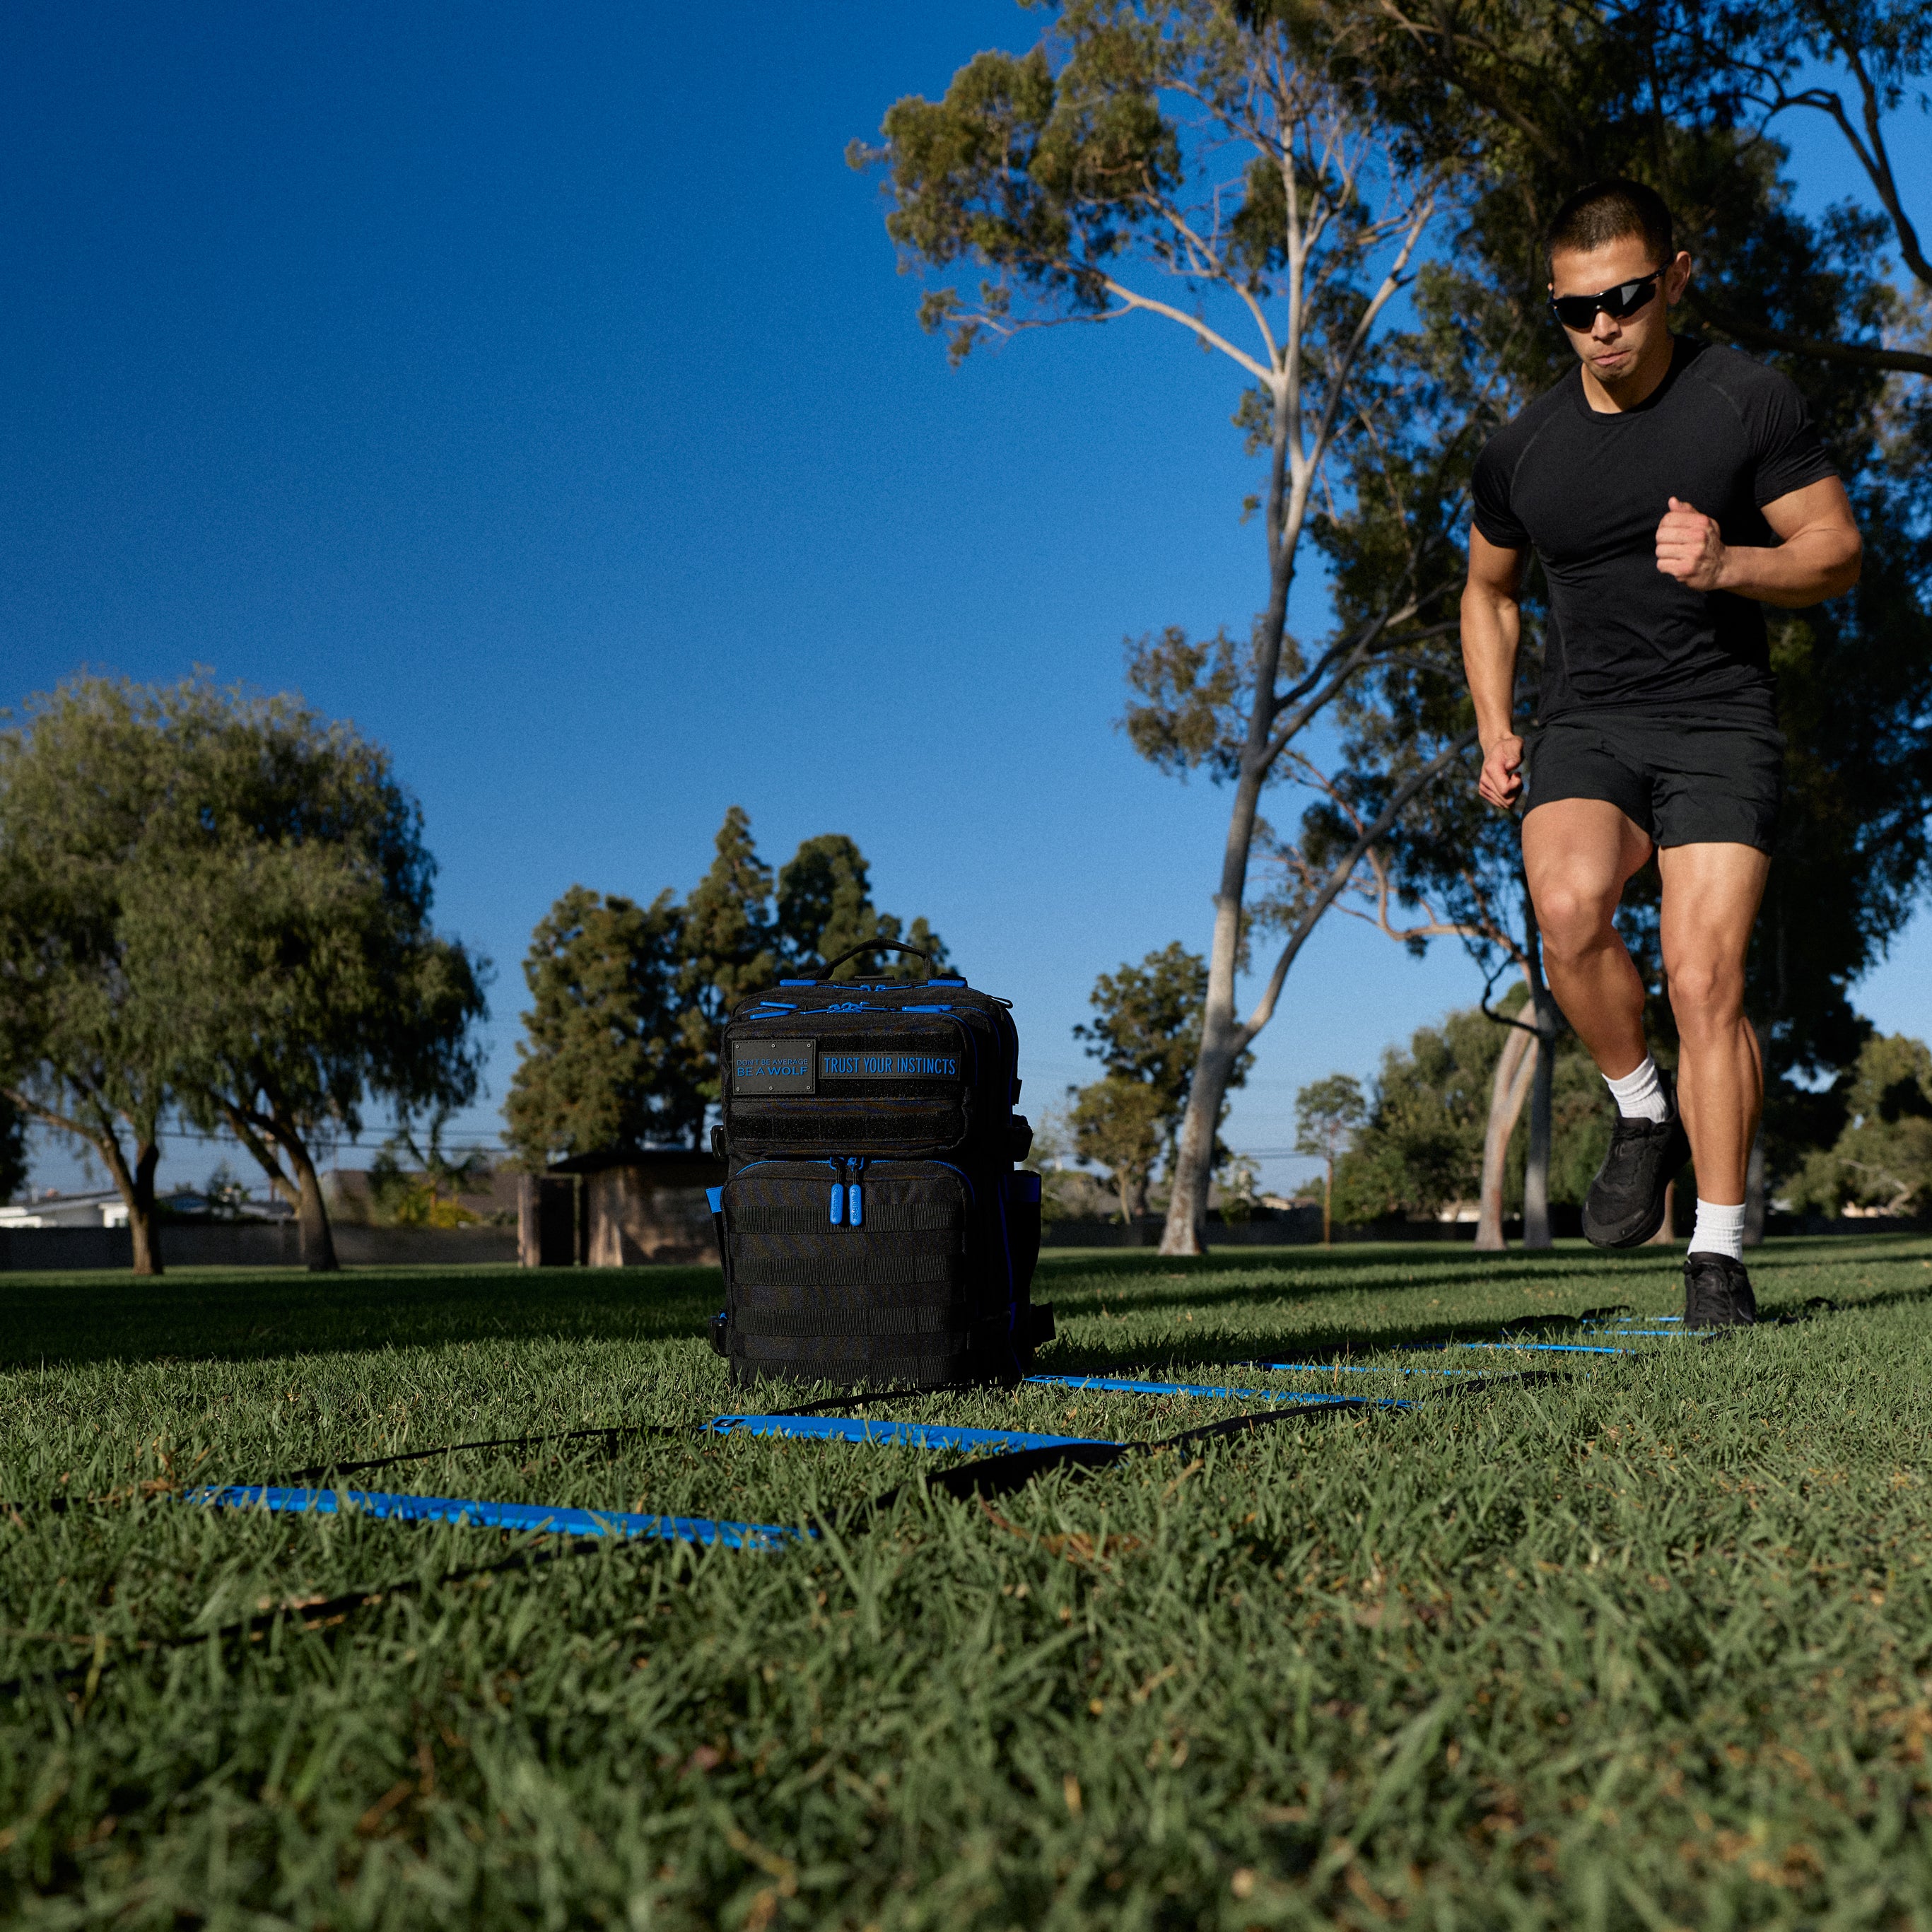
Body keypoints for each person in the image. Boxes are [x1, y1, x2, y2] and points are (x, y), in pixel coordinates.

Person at [1460, 179, 1862, 1329]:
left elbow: (1835, 552)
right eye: (1577, 309)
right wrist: (1495, 724)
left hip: (1719, 725)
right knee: (1569, 906)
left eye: (1626, 299)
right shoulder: (1524, 445)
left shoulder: (1744, 401)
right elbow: (1486, 592)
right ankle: (1643, 1108)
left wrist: (1730, 563)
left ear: (1674, 278)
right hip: (1586, 720)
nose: (1603, 327)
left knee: (1702, 978)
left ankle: (1717, 1255)